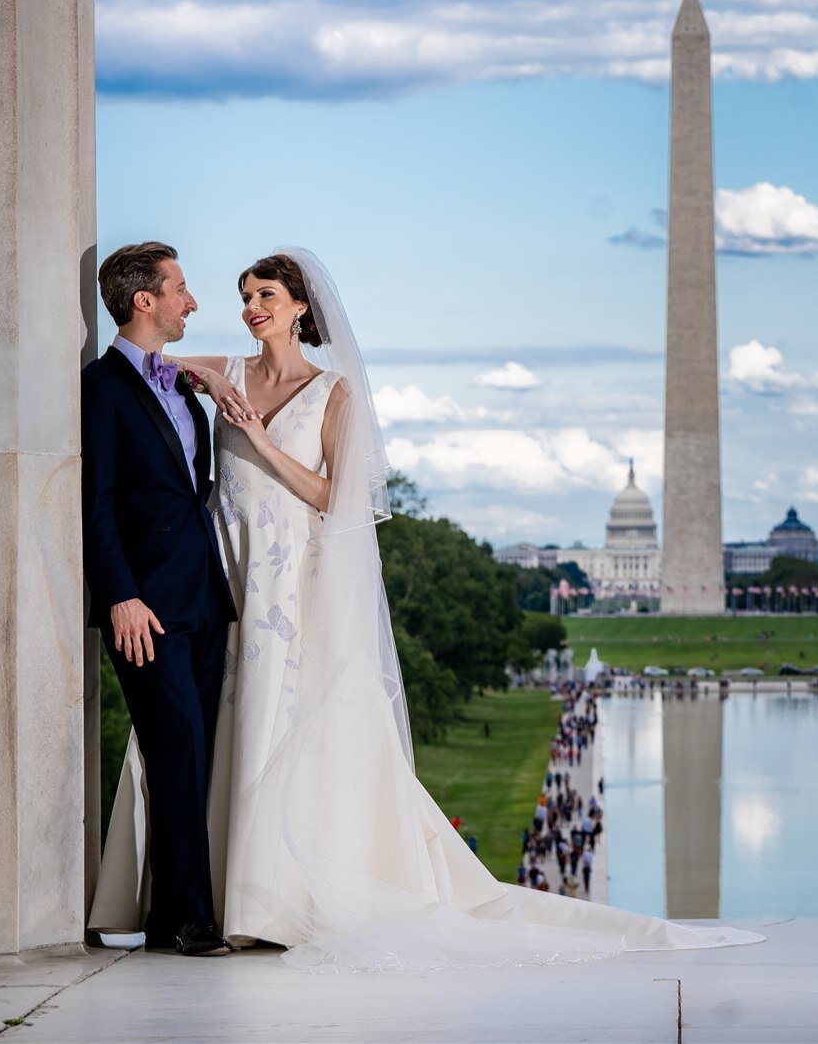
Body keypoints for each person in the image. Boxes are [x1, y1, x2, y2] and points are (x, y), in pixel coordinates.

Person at [92, 246, 761, 972]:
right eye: (242, 296)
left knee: (269, 731)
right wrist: (209, 381)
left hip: (287, 585)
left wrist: (255, 437)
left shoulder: (334, 392)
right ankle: (199, 901)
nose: (250, 308)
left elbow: (336, 499)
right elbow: (152, 387)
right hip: (225, 581)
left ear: (302, 305)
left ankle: (265, 899)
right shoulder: (213, 373)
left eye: (266, 297)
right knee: (210, 740)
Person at [81, 243, 236, 957]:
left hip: (203, 599)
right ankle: (193, 919)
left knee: (195, 758)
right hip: (144, 610)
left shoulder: (179, 384)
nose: (192, 302)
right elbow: (96, 502)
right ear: (144, 300)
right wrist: (120, 597)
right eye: (180, 288)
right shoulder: (100, 387)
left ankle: (170, 911)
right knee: (176, 751)